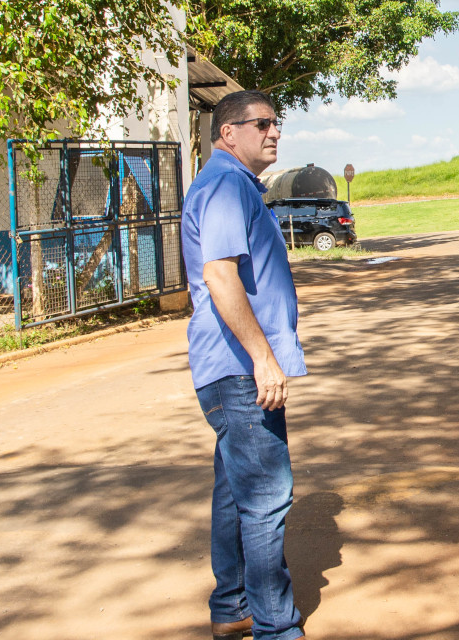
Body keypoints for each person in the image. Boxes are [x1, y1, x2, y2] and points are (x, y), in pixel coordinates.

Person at [182, 90, 306, 640]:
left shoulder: (227, 183)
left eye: (277, 122)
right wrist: (263, 359)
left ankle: (232, 607)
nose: (274, 131)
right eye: (262, 123)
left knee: (235, 490)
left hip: (229, 368)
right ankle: (276, 628)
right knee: (264, 497)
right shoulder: (227, 185)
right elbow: (220, 275)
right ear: (228, 133)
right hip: (238, 370)